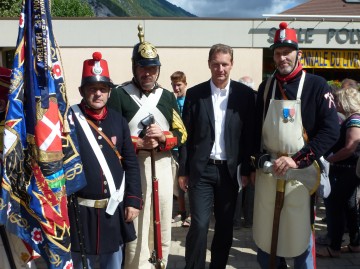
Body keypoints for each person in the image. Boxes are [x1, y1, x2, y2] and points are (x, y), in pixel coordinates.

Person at [252, 22, 340, 269]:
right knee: (266, 241)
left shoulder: (317, 85)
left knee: (300, 241)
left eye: (287, 52)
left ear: (298, 53)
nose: (282, 57)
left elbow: (331, 130)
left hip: (302, 172)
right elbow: (253, 130)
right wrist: (253, 161)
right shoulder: (266, 87)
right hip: (270, 172)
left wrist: (297, 159)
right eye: (278, 53)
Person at [107, 25, 187, 269]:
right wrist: (139, 142)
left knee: (162, 216)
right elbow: (110, 137)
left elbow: (181, 132)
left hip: (162, 164)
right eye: (143, 68)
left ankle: (159, 261)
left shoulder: (167, 96)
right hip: (133, 166)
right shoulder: (119, 95)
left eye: (152, 68)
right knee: (138, 220)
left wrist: (163, 138)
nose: (148, 73)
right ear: (135, 68)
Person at [178, 43, 256, 269]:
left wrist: (248, 170)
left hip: (230, 172)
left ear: (231, 65)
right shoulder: (195, 94)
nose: (220, 69)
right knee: (200, 224)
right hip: (201, 171)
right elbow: (186, 136)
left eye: (225, 64)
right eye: (216, 64)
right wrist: (183, 171)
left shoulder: (244, 95)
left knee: (225, 225)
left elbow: (249, 136)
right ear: (209, 65)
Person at [67, 52, 142, 269]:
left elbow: (130, 164)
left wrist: (133, 200)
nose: (98, 93)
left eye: (103, 89)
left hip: (112, 212)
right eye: (92, 89)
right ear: (82, 91)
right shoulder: (69, 120)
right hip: (80, 213)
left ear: (109, 92)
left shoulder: (118, 121)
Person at [316, 87, 360, 257]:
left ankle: (334, 247)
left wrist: (328, 160)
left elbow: (349, 148)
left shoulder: (354, 119)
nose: (336, 104)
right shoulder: (353, 118)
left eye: (339, 101)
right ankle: (355, 243)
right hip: (348, 170)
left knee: (335, 206)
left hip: (346, 170)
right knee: (349, 207)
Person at [233, 75, 256, 230]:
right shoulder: (256, 97)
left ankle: (239, 221)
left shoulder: (237, 97)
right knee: (246, 186)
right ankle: (248, 219)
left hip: (244, 148)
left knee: (241, 185)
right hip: (248, 148)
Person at [170, 71, 191, 227]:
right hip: (174, 148)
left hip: (187, 148)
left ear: (185, 84)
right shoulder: (172, 101)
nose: (176, 88)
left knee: (188, 182)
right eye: (174, 85)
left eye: (179, 85)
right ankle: (181, 212)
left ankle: (191, 214)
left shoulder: (189, 101)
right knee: (177, 183)